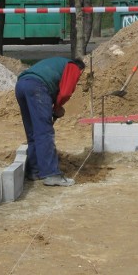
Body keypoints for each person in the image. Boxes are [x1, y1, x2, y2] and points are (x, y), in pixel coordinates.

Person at [15, 56, 85, 186]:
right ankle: (51, 174)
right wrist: (58, 107)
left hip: (21, 85)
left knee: (33, 132)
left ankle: (35, 171)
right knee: (44, 132)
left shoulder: (57, 63)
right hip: (37, 87)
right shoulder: (74, 67)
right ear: (80, 69)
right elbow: (65, 93)